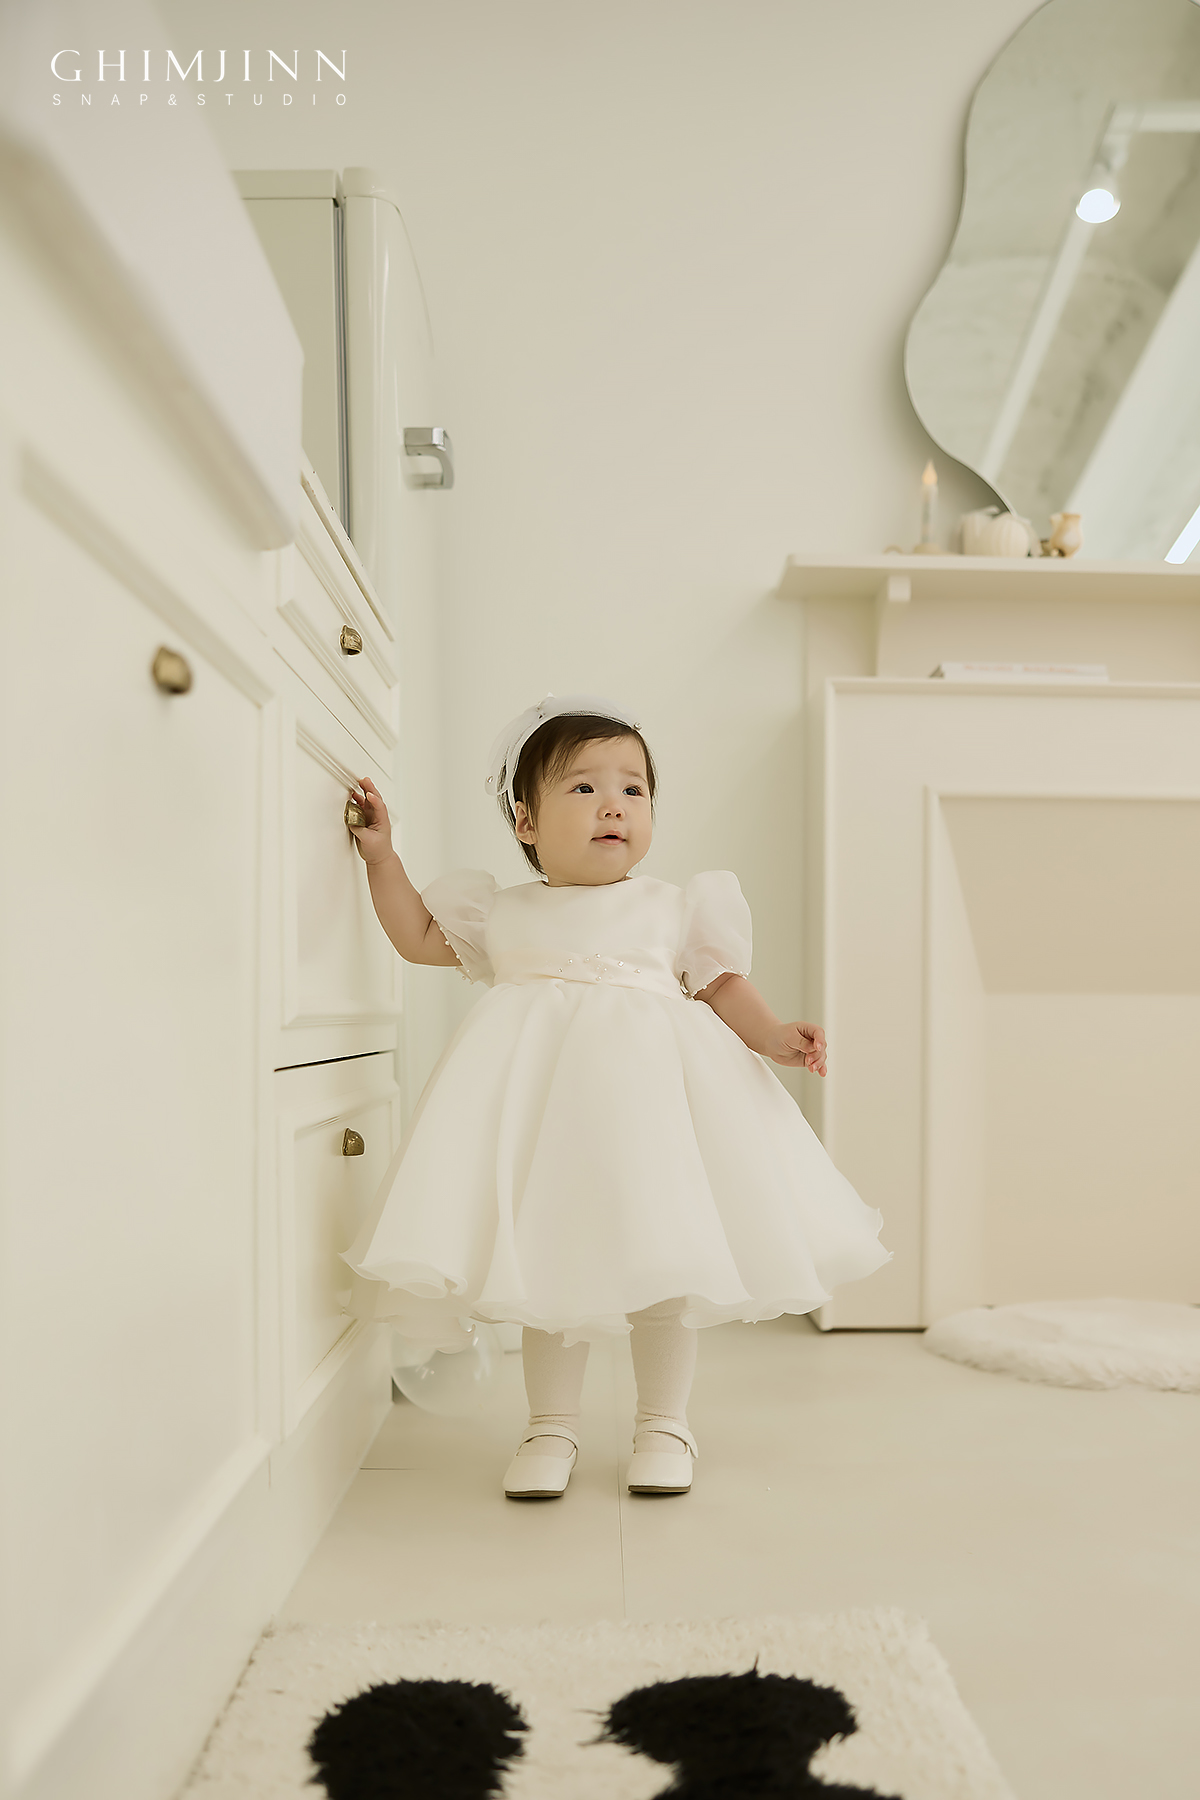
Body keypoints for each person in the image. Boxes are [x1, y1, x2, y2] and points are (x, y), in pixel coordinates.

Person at [341, 693, 890, 1500]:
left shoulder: (672, 906)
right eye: (585, 787)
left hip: (652, 1118)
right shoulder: (502, 909)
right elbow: (418, 938)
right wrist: (382, 859)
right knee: (548, 1270)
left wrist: (773, 1035)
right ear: (526, 821)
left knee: (664, 1262)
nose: (615, 805)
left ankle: (664, 1424)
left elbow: (721, 985)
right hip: (545, 1120)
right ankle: (549, 1427)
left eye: (634, 789)